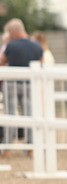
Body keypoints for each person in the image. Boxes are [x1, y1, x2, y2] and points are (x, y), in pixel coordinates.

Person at [0, 19, 45, 149]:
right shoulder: (36, 45)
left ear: (13, 31)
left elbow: (1, 61)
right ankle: (31, 147)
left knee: (10, 115)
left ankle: (7, 147)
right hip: (30, 85)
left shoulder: (11, 45)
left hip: (12, 84)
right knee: (30, 115)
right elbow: (41, 63)